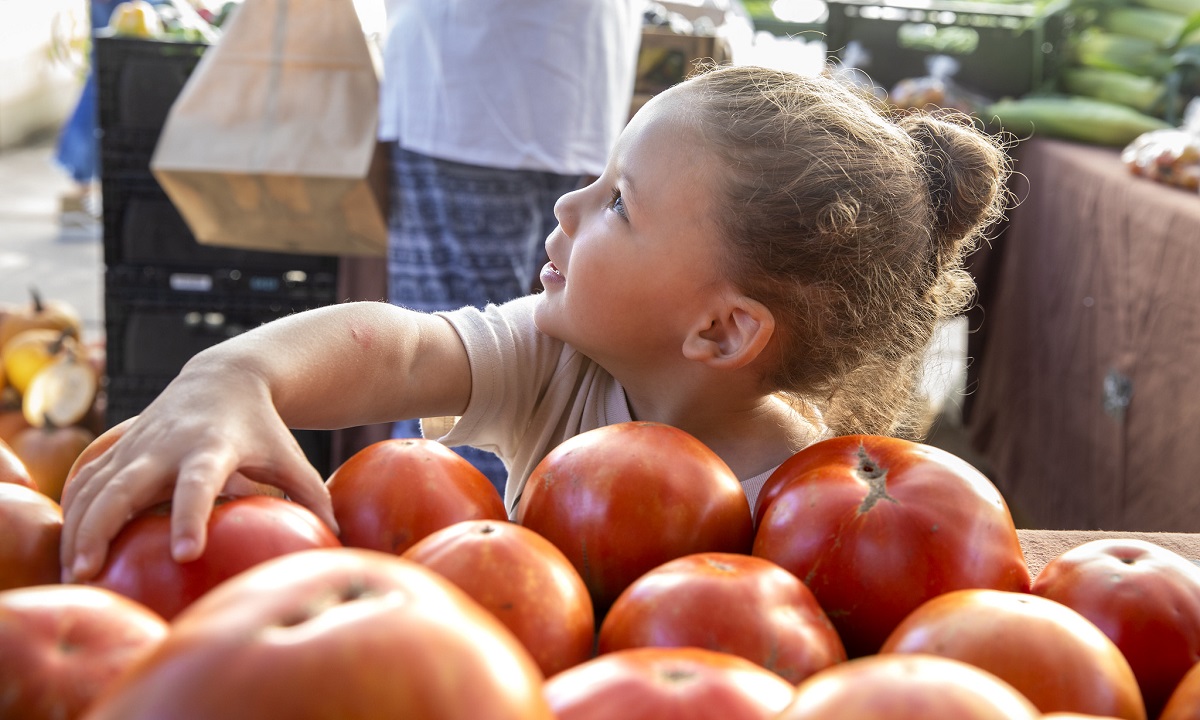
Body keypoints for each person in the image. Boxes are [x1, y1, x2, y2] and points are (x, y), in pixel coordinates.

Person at [60, 64, 1010, 583]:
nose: (567, 205)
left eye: (620, 204)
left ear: (721, 332)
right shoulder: (556, 360)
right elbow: (396, 347)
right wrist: (238, 376)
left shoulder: (815, 509)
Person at [377, 0, 646, 490]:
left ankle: (448, 530)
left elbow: (410, 359)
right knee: (511, 360)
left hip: (468, 88)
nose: (570, 210)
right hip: (568, 81)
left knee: (446, 375)